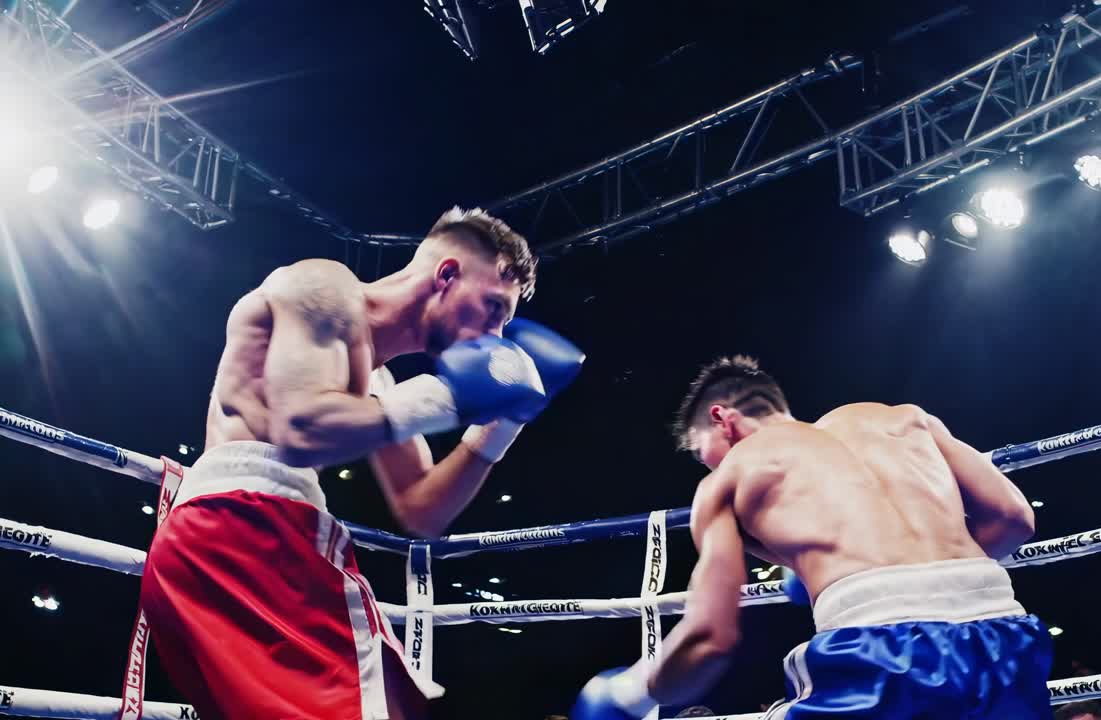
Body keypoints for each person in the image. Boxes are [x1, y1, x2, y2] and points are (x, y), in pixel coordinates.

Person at [140, 207, 584, 720]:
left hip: (222, 541)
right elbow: (299, 427)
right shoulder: (327, 287)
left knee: (399, 705)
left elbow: (424, 511)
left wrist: (503, 422)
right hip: (248, 529)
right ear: (446, 275)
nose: (497, 338)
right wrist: (449, 396)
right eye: (492, 309)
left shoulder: (379, 387)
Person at [572, 356, 1047, 719]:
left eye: (703, 453)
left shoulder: (728, 479)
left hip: (878, 649)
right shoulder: (900, 417)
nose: (710, 465)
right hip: (1005, 633)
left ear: (723, 418)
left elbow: (710, 637)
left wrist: (630, 694)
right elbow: (1014, 519)